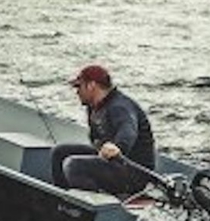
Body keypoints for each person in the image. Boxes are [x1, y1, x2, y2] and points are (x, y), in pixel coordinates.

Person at [50, 64, 155, 195]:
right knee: (59, 153)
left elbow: (128, 130)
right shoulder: (93, 106)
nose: (77, 92)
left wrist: (118, 146)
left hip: (134, 172)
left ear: (91, 86)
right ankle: (63, 196)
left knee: (74, 166)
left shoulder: (119, 107)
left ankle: (93, 202)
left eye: (79, 87)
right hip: (110, 161)